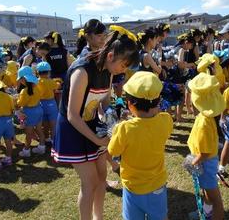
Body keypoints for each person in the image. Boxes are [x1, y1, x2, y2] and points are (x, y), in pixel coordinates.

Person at [51, 26, 139, 220]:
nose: (123, 71)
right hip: (73, 130)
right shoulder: (82, 71)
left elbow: (105, 102)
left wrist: (116, 119)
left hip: (92, 126)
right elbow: (72, 114)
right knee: (89, 182)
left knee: (101, 177)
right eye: (123, 65)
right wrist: (98, 140)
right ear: (110, 56)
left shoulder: (108, 71)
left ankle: (98, 217)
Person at [108, 71, 173, 220]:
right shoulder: (166, 120)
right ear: (158, 101)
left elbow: (113, 150)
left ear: (130, 104)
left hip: (133, 186)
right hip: (157, 184)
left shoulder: (124, 128)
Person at [187, 72, 225, 220]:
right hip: (206, 162)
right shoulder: (206, 116)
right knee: (207, 192)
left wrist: (192, 163)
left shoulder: (204, 121)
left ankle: (216, 216)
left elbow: (203, 153)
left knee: (215, 197)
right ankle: (206, 212)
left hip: (205, 163)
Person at [16, 66, 45, 157]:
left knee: (28, 133)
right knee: (39, 129)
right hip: (39, 109)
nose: (20, 81)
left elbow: (20, 103)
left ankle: (26, 150)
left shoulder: (24, 91)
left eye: (20, 79)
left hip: (29, 112)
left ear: (23, 79)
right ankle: (42, 147)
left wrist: (16, 101)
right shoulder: (36, 87)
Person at [36, 62, 61, 144]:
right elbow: (57, 86)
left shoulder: (36, 82)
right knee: (53, 124)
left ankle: (46, 138)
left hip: (40, 104)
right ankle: (54, 140)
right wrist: (58, 82)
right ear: (48, 72)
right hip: (51, 104)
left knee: (45, 124)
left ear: (38, 72)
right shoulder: (50, 81)